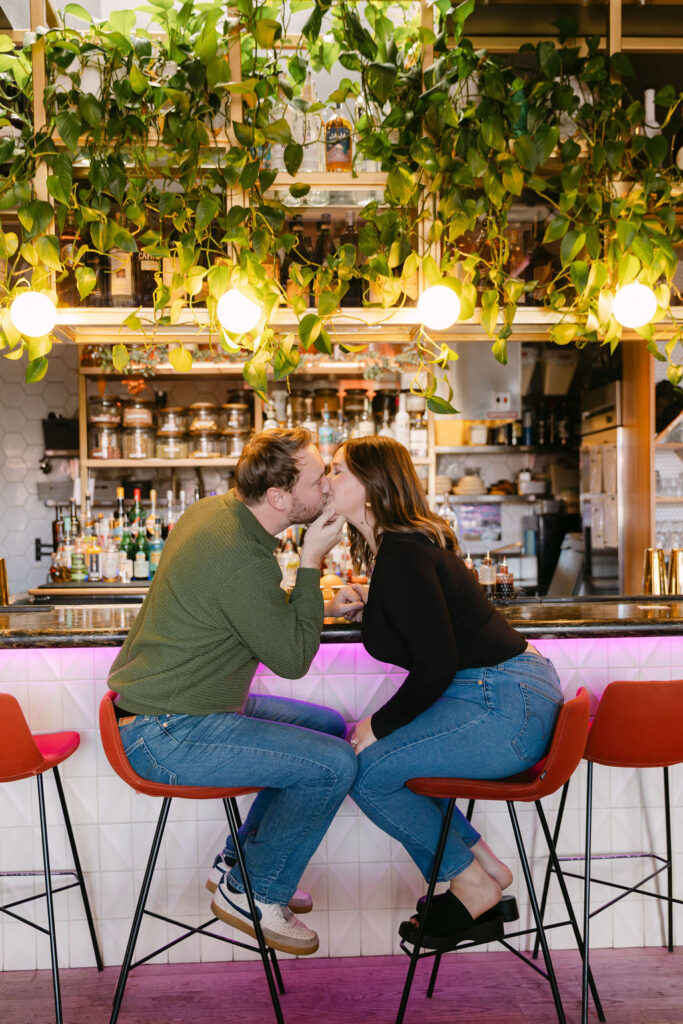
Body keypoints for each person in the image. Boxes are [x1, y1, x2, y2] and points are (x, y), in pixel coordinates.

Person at [107, 428, 364, 956]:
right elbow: (291, 659)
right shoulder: (241, 557)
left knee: (328, 728)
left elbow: (248, 603)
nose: (327, 490)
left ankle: (239, 861)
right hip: (168, 731)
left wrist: (313, 598)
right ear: (278, 497)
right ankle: (254, 891)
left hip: (175, 707)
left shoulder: (216, 513)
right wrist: (313, 562)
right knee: (335, 763)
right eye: (319, 481)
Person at [327, 435, 564, 949]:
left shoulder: (402, 555)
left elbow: (436, 664)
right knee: (383, 769)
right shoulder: (401, 550)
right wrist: (375, 603)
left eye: (337, 471)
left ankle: (471, 882)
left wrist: (377, 725)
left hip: (505, 706)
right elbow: (436, 627)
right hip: (508, 694)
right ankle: (485, 868)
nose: (328, 481)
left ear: (371, 488)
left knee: (365, 772)